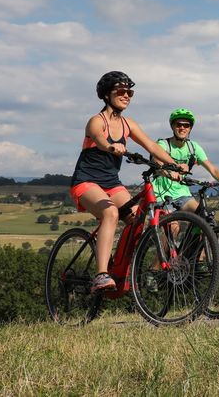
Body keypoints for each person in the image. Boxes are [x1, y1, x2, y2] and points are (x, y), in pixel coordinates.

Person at [69, 71, 182, 293]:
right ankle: (101, 274)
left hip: (112, 183)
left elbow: (152, 146)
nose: (127, 96)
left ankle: (121, 268)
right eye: (121, 91)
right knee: (111, 213)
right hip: (86, 182)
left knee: (138, 218)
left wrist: (173, 166)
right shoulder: (96, 121)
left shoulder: (128, 124)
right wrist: (111, 147)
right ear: (106, 95)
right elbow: (100, 139)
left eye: (130, 92)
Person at [151, 108, 219, 212]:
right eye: (178, 124)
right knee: (173, 227)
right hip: (161, 194)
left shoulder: (193, 147)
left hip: (182, 194)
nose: (182, 128)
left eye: (186, 125)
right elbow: (156, 160)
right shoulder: (164, 144)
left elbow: (213, 169)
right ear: (172, 126)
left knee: (203, 215)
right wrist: (170, 173)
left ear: (190, 128)